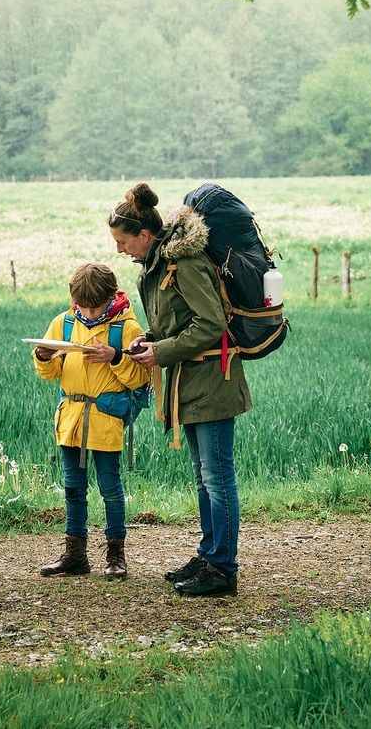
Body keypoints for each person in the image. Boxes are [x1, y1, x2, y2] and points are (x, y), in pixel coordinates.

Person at [109, 183, 252, 597]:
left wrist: (162, 352)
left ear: (145, 235)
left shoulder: (183, 263)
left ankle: (223, 568)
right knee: (204, 478)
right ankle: (209, 555)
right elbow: (174, 323)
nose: (120, 249)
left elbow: (210, 325)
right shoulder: (153, 270)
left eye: (122, 241)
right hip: (187, 382)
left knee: (218, 477)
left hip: (213, 380)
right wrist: (149, 341)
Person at [32, 262, 147, 580]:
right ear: (74, 299)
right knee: (72, 489)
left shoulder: (127, 328)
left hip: (105, 420)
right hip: (70, 420)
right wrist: (43, 357)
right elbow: (50, 373)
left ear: (111, 297)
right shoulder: (63, 323)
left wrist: (116, 357)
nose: (90, 313)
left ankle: (115, 554)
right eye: (83, 306)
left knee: (110, 489)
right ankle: (75, 555)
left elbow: (140, 376)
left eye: (95, 307)